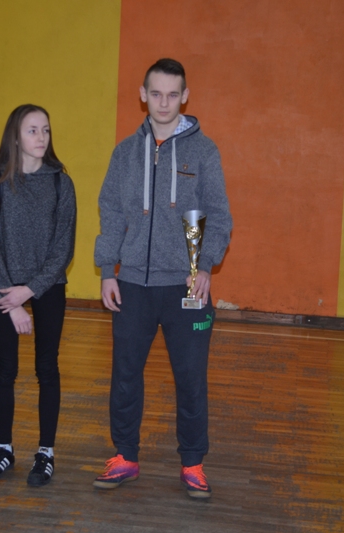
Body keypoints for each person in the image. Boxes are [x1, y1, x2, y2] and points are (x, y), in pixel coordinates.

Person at [92, 58, 232, 499]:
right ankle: (125, 456)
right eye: (156, 94)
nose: (164, 103)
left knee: (190, 378)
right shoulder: (124, 153)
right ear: (143, 95)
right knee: (125, 375)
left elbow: (219, 215)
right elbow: (111, 212)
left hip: (186, 286)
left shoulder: (204, 151)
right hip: (132, 283)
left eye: (173, 94)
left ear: (185, 97)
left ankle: (193, 463)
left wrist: (204, 266)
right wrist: (108, 271)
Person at [0, 104, 76, 487]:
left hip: (48, 286)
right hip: (5, 288)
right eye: (32, 130)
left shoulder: (61, 183)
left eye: (45, 130)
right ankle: (4, 449)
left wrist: (30, 291)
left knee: (47, 368)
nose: (41, 137)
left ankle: (45, 452)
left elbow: (63, 247)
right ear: (15, 137)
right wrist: (12, 299)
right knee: (5, 370)